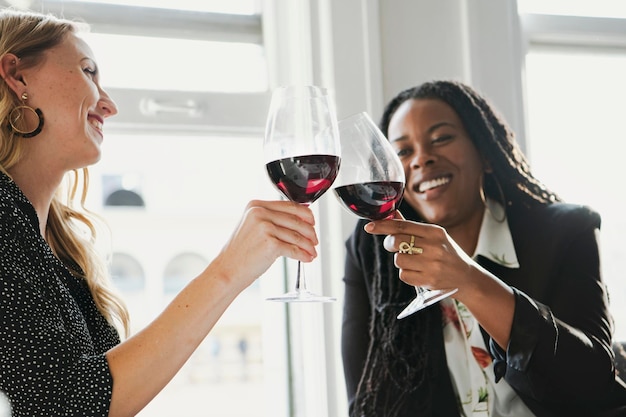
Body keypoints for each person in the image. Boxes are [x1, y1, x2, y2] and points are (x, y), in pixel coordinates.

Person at [0, 9, 319, 417]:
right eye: (88, 71)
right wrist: (228, 270)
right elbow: (67, 404)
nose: (109, 105)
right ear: (17, 75)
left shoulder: (58, 249)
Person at [341, 80, 626, 416]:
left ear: (486, 155)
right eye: (403, 151)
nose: (422, 159)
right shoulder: (372, 252)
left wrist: (471, 281)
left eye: (442, 138)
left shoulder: (566, 230)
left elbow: (593, 385)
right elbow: (367, 401)